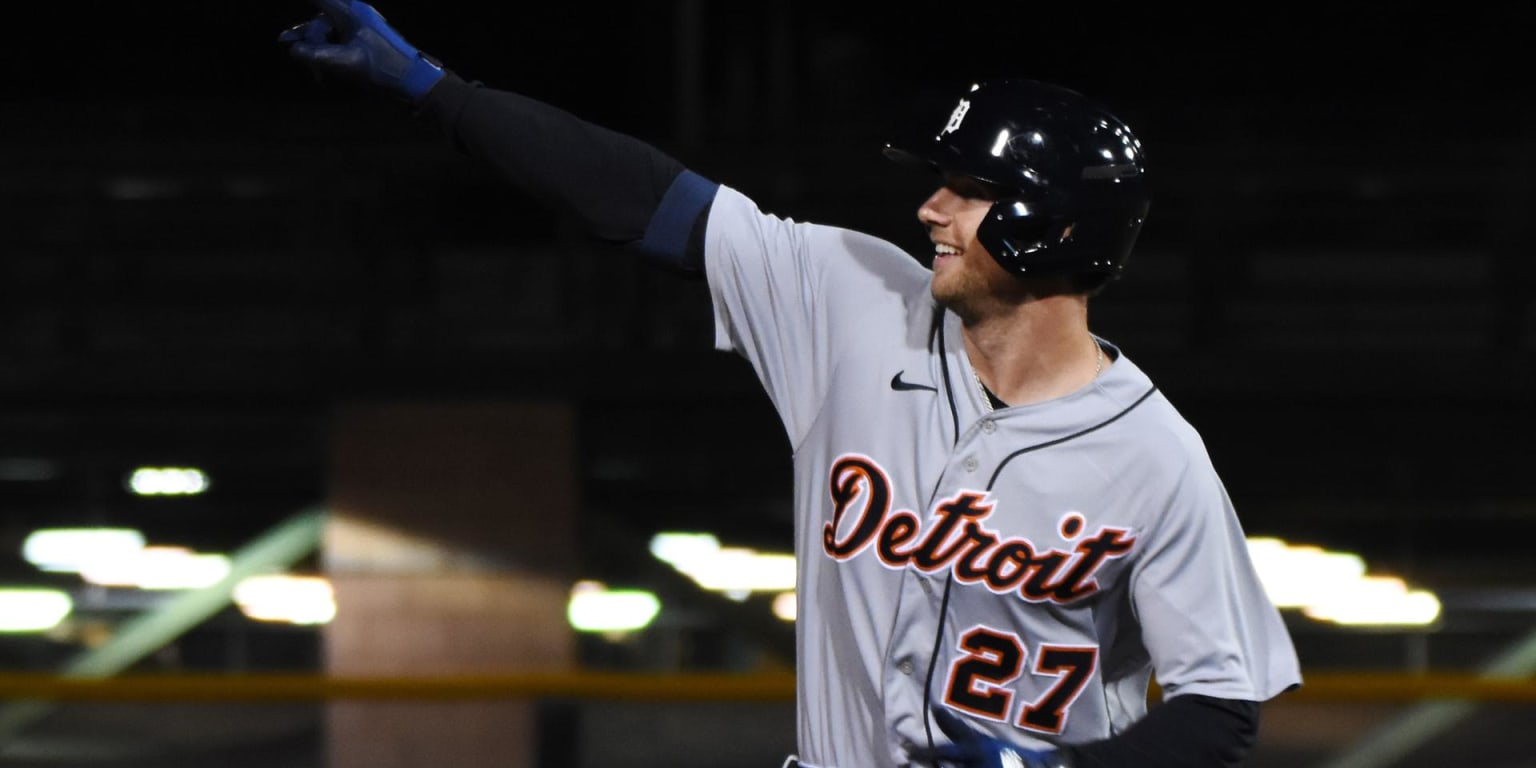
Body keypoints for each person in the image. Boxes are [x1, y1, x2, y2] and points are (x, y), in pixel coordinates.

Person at [278, 2, 1303, 766]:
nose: (932, 209)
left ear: (1057, 225)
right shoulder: (854, 302)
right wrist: (435, 88)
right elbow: (645, 201)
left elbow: (1221, 704)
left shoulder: (1154, 455)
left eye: (971, 190)